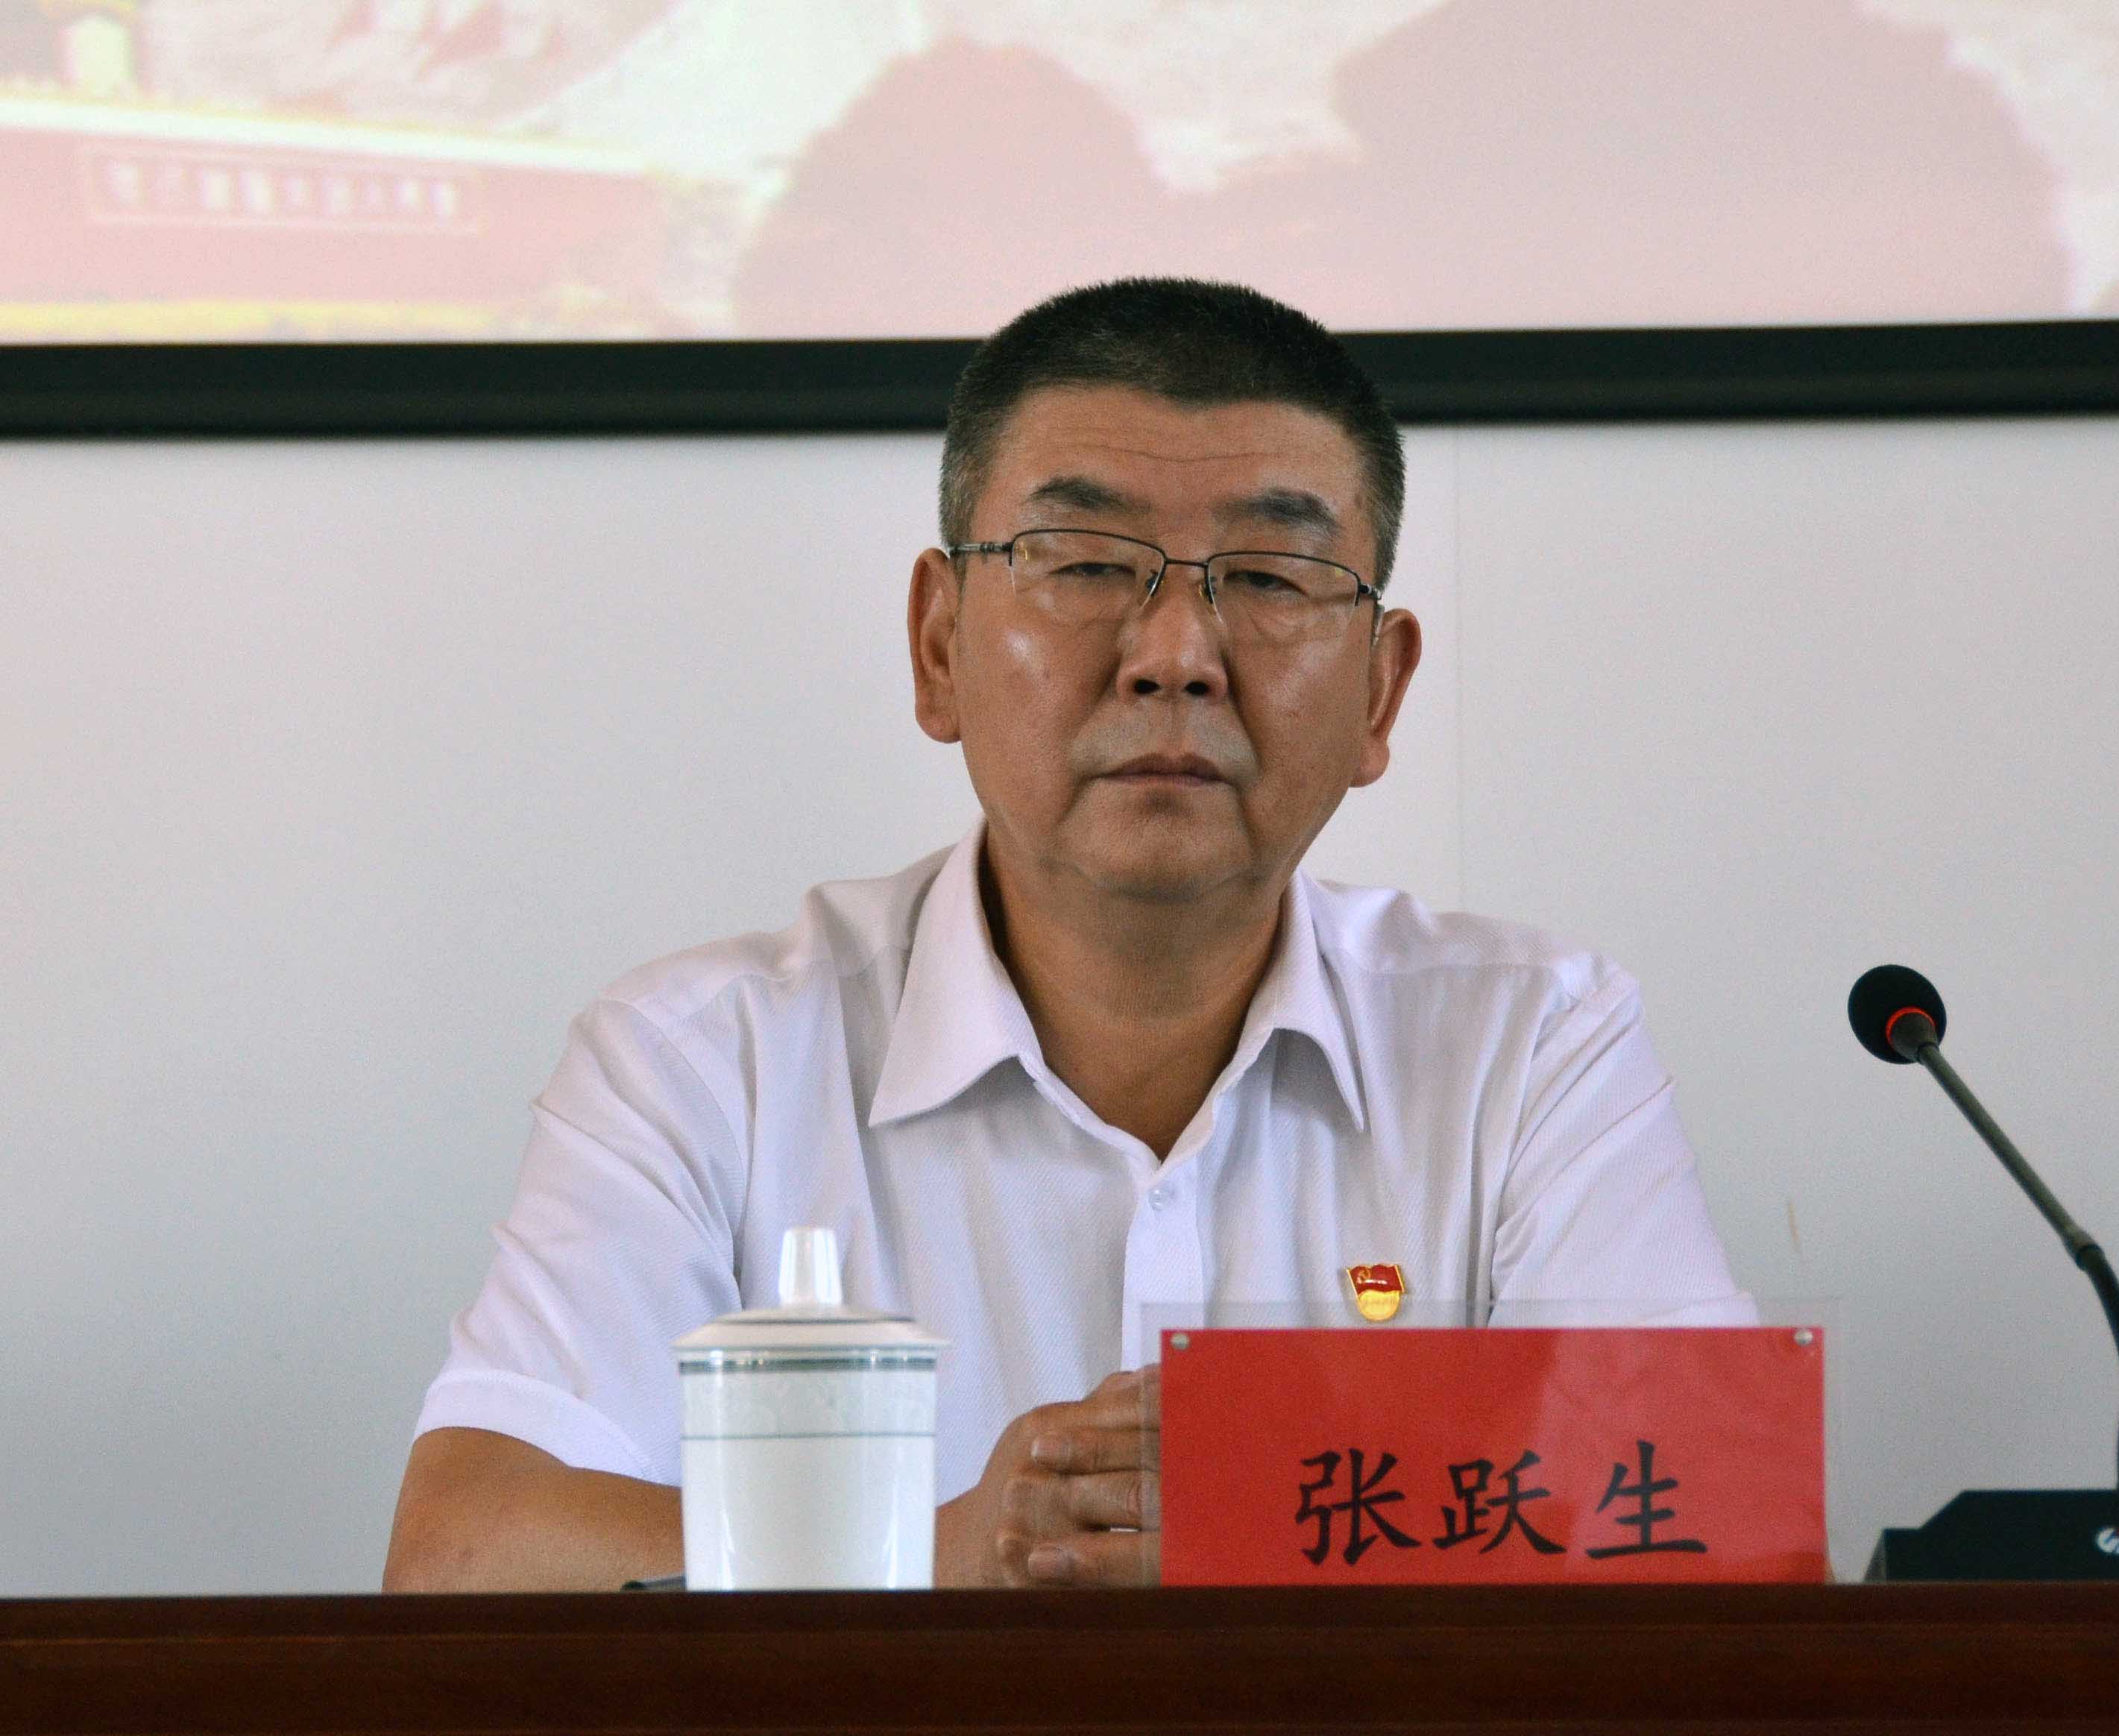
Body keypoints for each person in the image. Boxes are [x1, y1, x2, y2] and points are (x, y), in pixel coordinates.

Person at [382, 277, 1748, 1593]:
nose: (1176, 655)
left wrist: (1261, 1524)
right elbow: (467, 1558)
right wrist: (945, 1554)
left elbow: (1711, 1532)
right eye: (1086, 563)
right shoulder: (703, 1064)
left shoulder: (1531, 1047)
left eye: (1272, 577)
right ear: (939, 646)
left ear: (1381, 695)